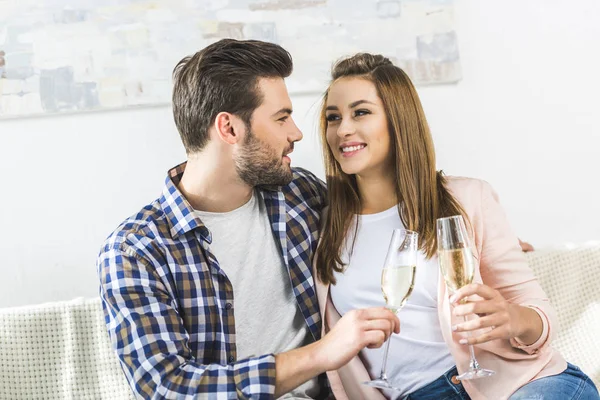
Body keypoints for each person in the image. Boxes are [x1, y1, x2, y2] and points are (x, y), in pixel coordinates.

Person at [97, 39, 400, 399]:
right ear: (229, 129)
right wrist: (321, 353)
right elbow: (169, 388)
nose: (296, 134)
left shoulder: (300, 195)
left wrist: (484, 301)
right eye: (281, 117)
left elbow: (391, 224)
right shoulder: (135, 251)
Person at [313, 53, 599, 400]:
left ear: (398, 120)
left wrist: (512, 318)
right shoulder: (325, 226)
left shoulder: (467, 199)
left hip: (520, 384)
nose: (342, 129)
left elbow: (539, 315)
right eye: (333, 117)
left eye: (361, 112)